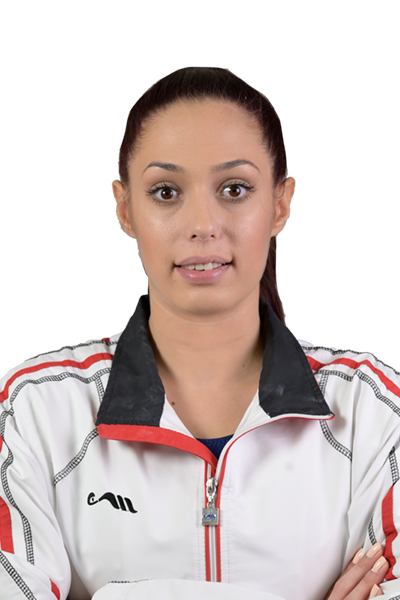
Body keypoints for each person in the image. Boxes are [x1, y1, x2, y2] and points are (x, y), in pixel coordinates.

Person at [0, 66, 399, 600]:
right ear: (126, 209)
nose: (202, 224)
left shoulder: (373, 412)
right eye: (166, 191)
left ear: (280, 205)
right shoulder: (34, 411)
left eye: (235, 189)